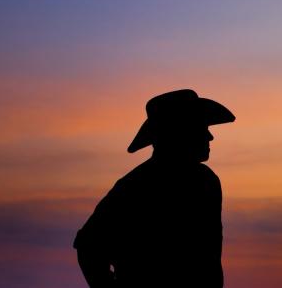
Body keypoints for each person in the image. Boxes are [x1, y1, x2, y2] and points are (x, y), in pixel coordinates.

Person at [74, 89, 235, 288]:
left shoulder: (206, 181)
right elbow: (89, 246)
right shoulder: (134, 187)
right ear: (179, 132)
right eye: (200, 127)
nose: (210, 136)